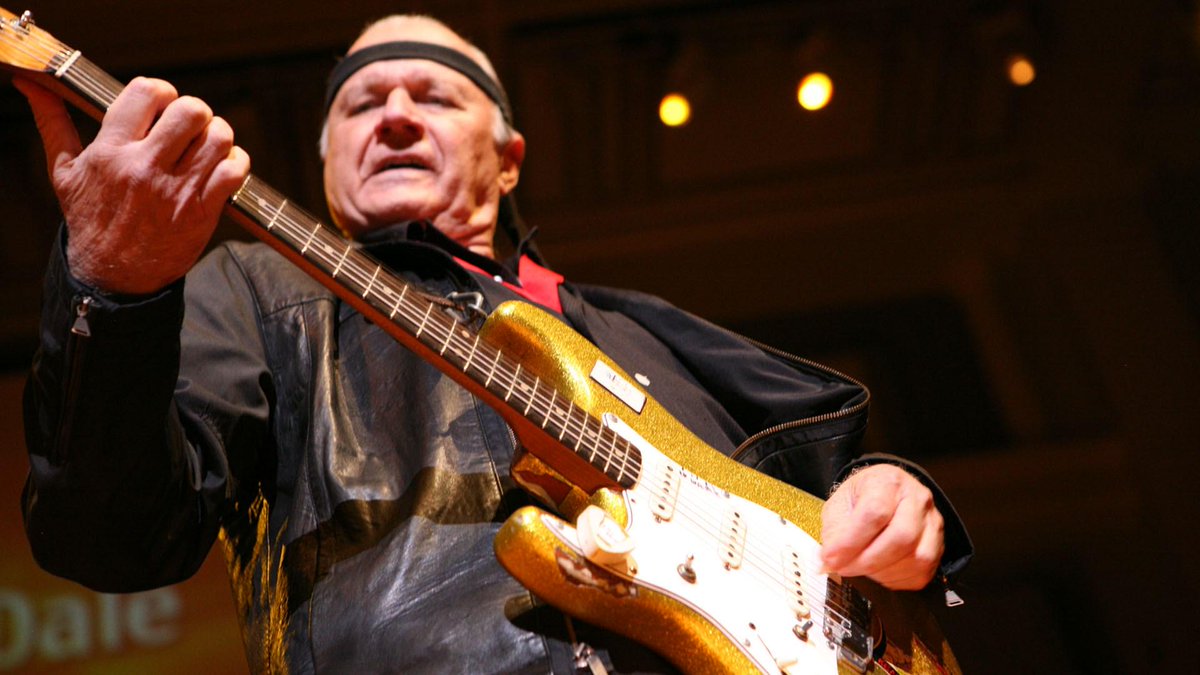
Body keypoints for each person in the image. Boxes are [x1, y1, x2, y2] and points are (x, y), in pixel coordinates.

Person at [17, 14, 971, 674]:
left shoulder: (638, 325)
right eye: (360, 105)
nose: (394, 114)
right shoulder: (264, 293)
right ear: (327, 159)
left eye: (432, 95)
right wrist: (112, 290)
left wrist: (896, 495)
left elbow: (830, 484)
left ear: (508, 157)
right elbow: (109, 537)